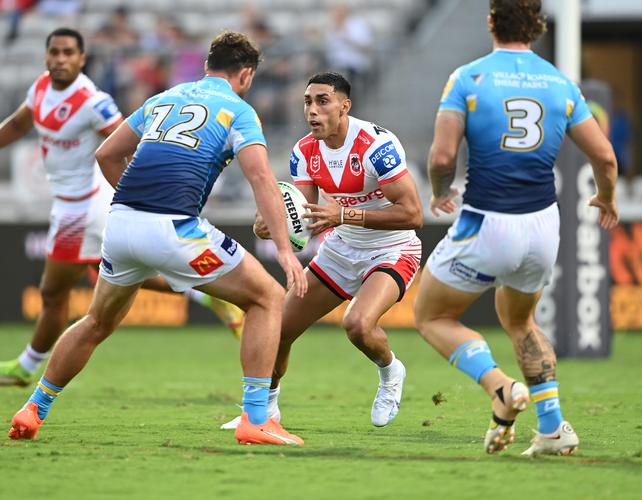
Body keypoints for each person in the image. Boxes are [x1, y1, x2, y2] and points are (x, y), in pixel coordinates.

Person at [8, 30, 308, 446]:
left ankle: (34, 409)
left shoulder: (163, 98)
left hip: (121, 224)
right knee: (267, 299)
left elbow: (107, 154)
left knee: (96, 322)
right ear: (246, 75)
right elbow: (261, 179)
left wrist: (135, 203)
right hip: (175, 228)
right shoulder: (238, 110)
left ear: (207, 66)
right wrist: (284, 251)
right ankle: (256, 418)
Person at [413, 0, 618, 456]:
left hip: (487, 220)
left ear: (491, 22)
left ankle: (500, 388)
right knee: (521, 321)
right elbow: (604, 156)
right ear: (538, 27)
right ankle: (552, 427)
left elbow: (443, 157)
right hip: (543, 225)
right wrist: (605, 197)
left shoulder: (468, 77)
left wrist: (439, 191)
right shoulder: (560, 82)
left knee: (432, 316)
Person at [0, 28, 244, 389]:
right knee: (106, 278)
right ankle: (203, 294)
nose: (60, 59)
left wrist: (147, 192)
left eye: (69, 53)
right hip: (69, 205)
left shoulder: (91, 100)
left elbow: (127, 141)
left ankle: (26, 366)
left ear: (82, 59)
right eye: (55, 52)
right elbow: (20, 124)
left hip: (85, 208)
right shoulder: (40, 89)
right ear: (46, 55)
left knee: (57, 292)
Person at [222, 72, 423, 430]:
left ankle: (391, 371)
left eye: (322, 101)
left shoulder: (376, 146)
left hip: (392, 249)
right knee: (278, 328)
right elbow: (303, 215)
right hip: (341, 249)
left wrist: (344, 214)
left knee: (358, 325)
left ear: (345, 106)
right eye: (307, 102)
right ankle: (264, 413)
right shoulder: (304, 151)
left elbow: (413, 214)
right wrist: (269, 224)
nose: (312, 110)